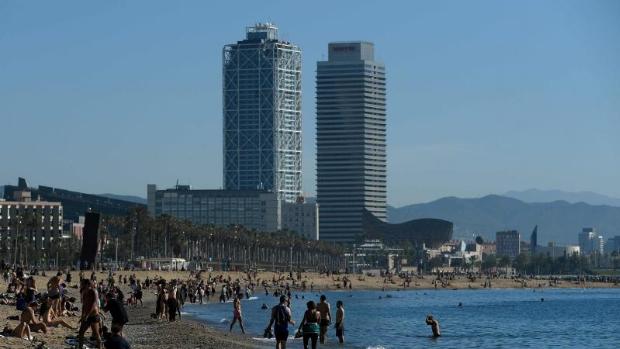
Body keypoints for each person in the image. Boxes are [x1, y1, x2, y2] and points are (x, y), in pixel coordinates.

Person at [78, 279, 102, 349]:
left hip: (93, 315)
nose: (81, 285)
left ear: (87, 284)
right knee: (81, 332)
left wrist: (87, 315)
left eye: (82, 284)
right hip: (87, 316)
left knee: (96, 334)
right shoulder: (84, 292)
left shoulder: (94, 291)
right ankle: (80, 347)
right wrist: (82, 316)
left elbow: (94, 304)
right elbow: (84, 305)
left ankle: (100, 347)